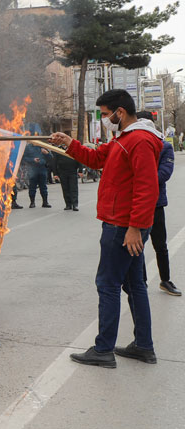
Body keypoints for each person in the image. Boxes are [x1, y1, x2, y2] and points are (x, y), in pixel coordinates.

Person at [50, 89, 163, 368]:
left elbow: (147, 187)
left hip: (122, 226)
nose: (105, 119)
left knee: (108, 284)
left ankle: (103, 350)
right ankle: (143, 346)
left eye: (105, 114)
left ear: (119, 112)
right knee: (134, 284)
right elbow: (97, 159)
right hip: (125, 224)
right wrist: (70, 143)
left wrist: (135, 227)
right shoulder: (124, 139)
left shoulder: (138, 140)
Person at [137, 112, 179, 296]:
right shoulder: (134, 143)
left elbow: (165, 173)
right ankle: (141, 282)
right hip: (135, 203)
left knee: (160, 244)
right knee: (137, 245)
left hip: (155, 203)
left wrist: (141, 181)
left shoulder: (164, 146)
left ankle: (165, 280)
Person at [53, 144, 81, 212]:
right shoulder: (58, 150)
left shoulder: (73, 149)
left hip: (72, 171)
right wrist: (55, 173)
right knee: (65, 188)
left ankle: (75, 204)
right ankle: (68, 204)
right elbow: (54, 162)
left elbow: (79, 159)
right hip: (62, 172)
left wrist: (80, 170)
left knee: (73, 188)